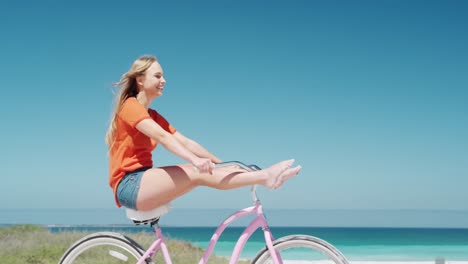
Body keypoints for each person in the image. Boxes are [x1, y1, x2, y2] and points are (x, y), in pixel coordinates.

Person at [105, 55, 302, 211]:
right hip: (129, 184)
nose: (164, 80)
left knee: (205, 172)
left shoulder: (154, 115)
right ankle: (265, 176)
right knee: (198, 171)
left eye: (163, 76)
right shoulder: (130, 106)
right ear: (140, 80)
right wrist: (195, 161)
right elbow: (163, 138)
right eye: (157, 76)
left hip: (145, 180)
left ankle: (262, 175)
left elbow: (186, 142)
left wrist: (222, 164)